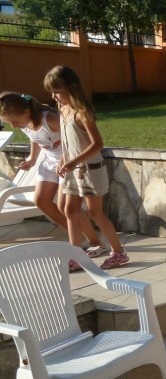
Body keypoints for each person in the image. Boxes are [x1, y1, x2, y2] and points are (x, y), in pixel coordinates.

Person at [43, 66, 129, 270]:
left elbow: (97, 144)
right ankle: (75, 255)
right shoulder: (62, 111)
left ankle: (119, 252)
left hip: (90, 171)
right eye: (51, 92)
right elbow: (67, 141)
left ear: (71, 87)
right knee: (70, 210)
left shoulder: (82, 113)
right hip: (73, 170)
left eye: (57, 90)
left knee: (94, 212)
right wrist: (64, 160)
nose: (54, 96)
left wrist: (73, 162)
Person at [0, 92, 107, 254]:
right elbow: (34, 137)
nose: (14, 126)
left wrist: (65, 160)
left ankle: (94, 241)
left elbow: (72, 139)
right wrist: (32, 159)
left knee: (67, 208)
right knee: (41, 200)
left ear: (26, 112)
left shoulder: (49, 118)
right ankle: (79, 235)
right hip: (49, 162)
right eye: (9, 124)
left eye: (15, 121)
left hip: (67, 162)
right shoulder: (25, 122)